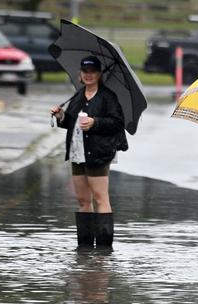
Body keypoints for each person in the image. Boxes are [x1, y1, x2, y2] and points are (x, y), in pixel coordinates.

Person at [50, 55, 128, 251]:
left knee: (100, 198)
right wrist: (61, 116)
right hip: (78, 153)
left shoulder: (107, 97)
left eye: (93, 71)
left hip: (99, 153)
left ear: (99, 74)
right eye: (85, 72)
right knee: (83, 200)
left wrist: (95, 122)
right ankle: (84, 246)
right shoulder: (77, 96)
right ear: (80, 74)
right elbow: (71, 123)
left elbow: (117, 123)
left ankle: (103, 247)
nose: (89, 75)